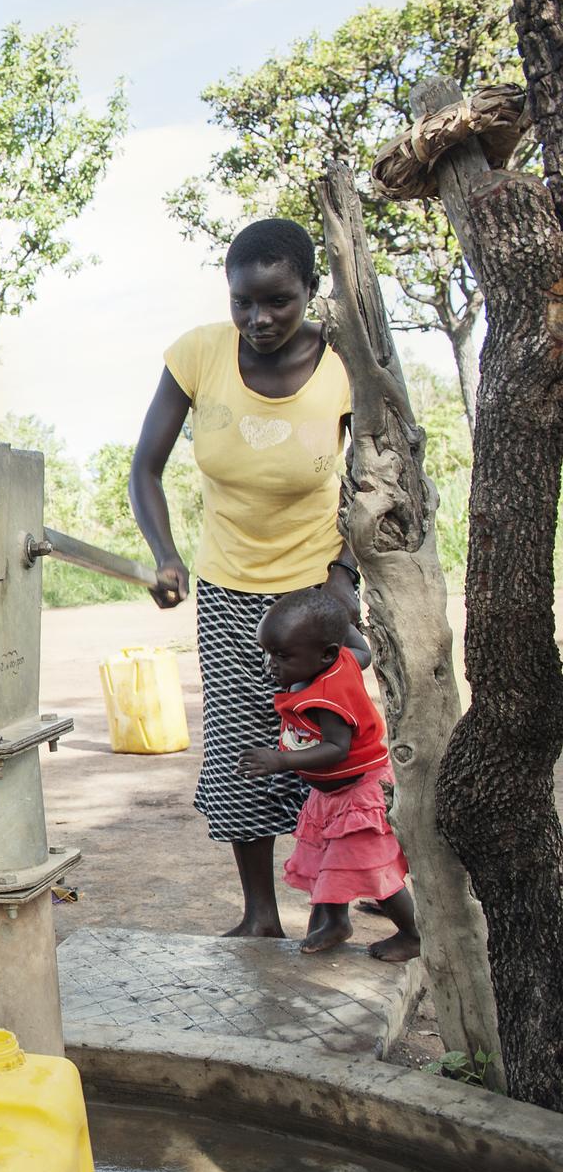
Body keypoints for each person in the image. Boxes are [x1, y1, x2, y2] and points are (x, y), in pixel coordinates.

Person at [129, 217, 363, 939]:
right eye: (243, 302)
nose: (258, 319)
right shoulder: (199, 355)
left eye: (278, 302)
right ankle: (260, 914)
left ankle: (333, 911)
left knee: (330, 746)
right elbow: (145, 468)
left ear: (310, 293)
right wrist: (165, 553)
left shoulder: (346, 367)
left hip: (317, 596)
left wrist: (346, 578)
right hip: (230, 591)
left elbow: (375, 477)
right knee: (242, 748)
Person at [238, 588, 418, 961]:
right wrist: (338, 607)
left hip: (360, 791)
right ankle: (335, 922)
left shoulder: (328, 695)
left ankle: (413, 933)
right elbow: (363, 651)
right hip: (333, 794)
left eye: (282, 656)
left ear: (326, 654)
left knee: (374, 871)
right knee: (327, 860)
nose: (270, 665)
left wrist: (280, 761)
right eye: (268, 653)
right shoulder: (339, 660)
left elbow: (338, 749)